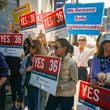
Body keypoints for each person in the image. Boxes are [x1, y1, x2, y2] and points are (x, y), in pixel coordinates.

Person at [45, 38, 78, 110]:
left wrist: (62, 87)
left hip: (67, 95)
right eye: (53, 47)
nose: (54, 49)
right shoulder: (53, 59)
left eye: (56, 47)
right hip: (54, 92)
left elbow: (74, 81)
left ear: (64, 48)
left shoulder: (71, 63)